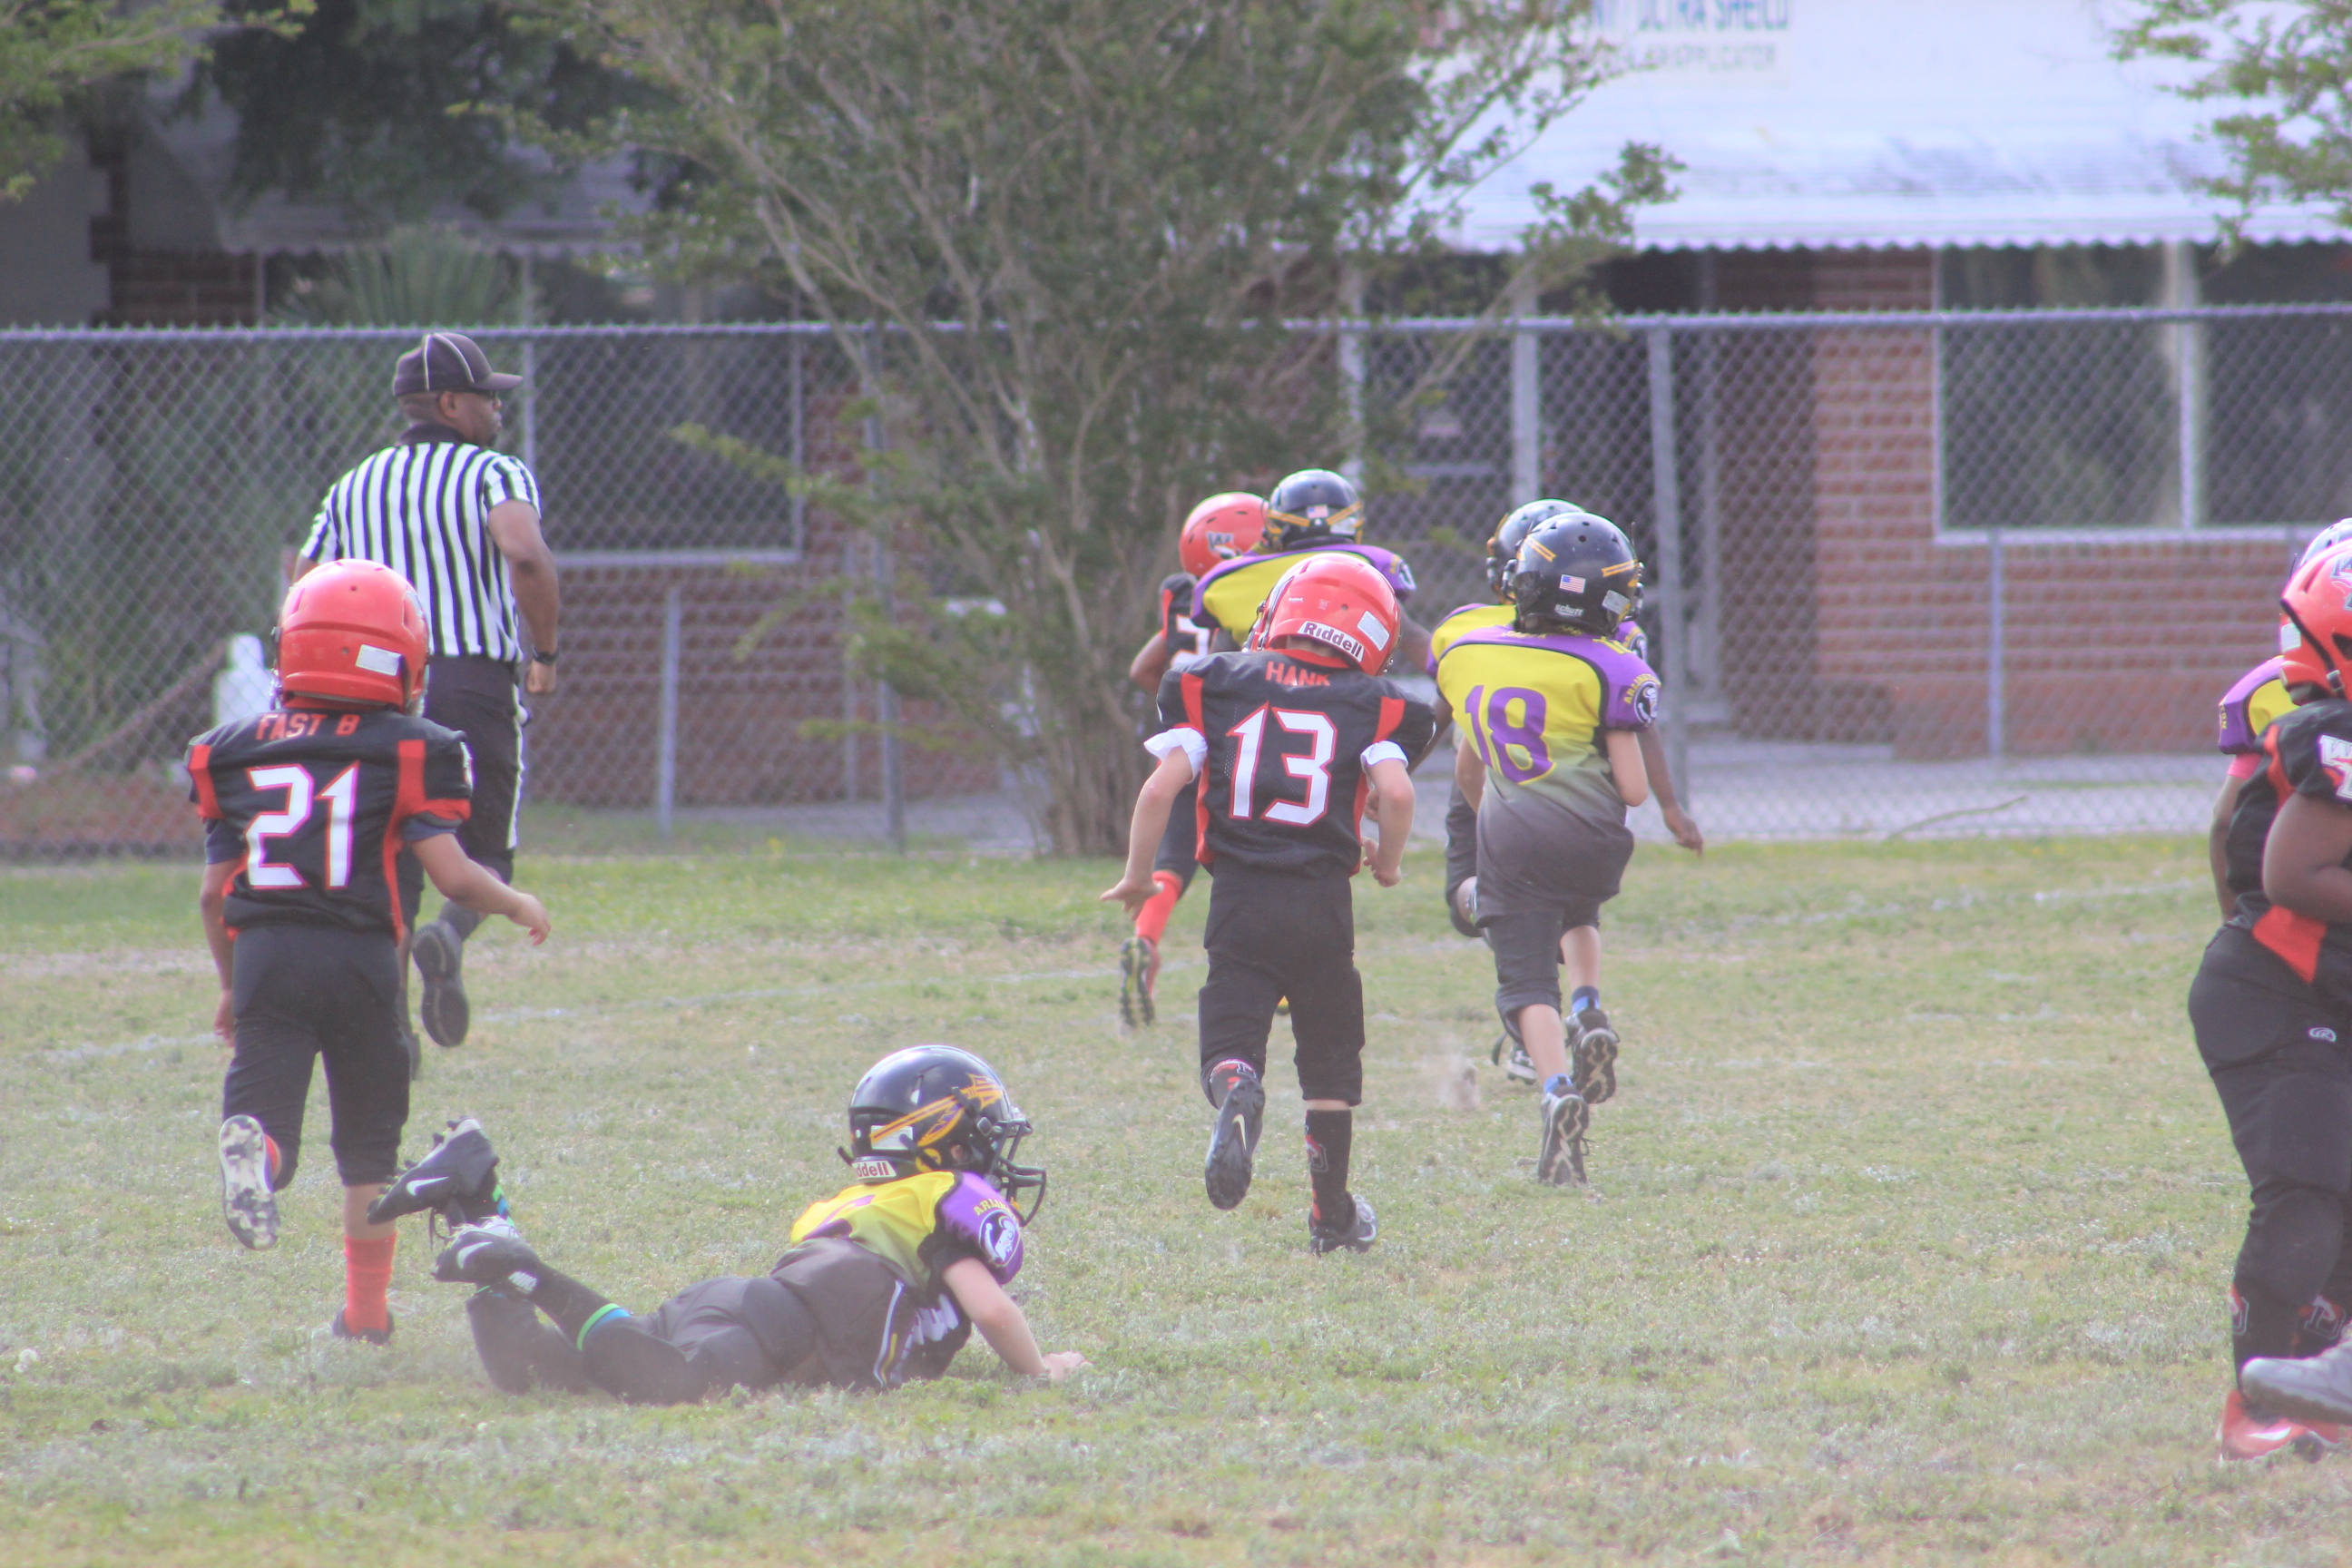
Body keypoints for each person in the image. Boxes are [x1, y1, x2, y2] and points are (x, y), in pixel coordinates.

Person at [189, 561, 551, 1344]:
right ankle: (364, 1315)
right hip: (362, 962)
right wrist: (514, 900)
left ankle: (262, 1156)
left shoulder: (230, 750)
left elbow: (215, 895)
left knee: (265, 1120)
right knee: (368, 1152)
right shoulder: (414, 749)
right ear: (400, 659)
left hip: (266, 959)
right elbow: (452, 874)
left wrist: (228, 984)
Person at [368, 1047, 1084, 1401]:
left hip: (737, 1304)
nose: (994, 1152)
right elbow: (990, 1307)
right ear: (945, 1144)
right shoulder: (940, 1200)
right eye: (984, 1135)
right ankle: (525, 1269)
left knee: (538, 1372)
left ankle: (475, 1203)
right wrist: (1039, 1368)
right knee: (669, 1384)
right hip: (781, 1325)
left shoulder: (860, 1208)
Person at [1102, 553, 1434, 1254]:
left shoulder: (1213, 682)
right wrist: (1389, 863)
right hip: (1323, 907)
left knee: (1229, 1041)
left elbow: (1160, 790)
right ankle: (1330, 1215)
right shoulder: (1376, 703)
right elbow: (1398, 794)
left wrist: (1137, 876)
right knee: (1329, 1064)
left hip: (1239, 900)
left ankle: (1237, 1088)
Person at [297, 330, 561, 1053]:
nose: (497, 410)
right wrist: (544, 652)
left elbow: (305, 585)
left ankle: (391, 1032)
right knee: (486, 853)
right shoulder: (493, 473)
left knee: (392, 864)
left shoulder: (353, 484)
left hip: (374, 693)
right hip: (469, 682)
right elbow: (525, 556)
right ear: (449, 404)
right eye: (486, 398)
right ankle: (449, 934)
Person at [1427, 501, 1703, 1086]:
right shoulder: (1617, 657)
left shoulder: (1467, 643)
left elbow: (1461, 754)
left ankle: (1541, 1059)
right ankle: (1585, 1003)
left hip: (1502, 796)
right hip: (1586, 818)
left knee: (1506, 934)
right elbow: (1633, 781)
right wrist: (1669, 806)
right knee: (1575, 909)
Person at [2177, 542, 2352, 1458]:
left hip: (2323, 989)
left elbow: (2224, 829)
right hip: (2277, 993)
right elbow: (2290, 873)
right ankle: (2254, 1408)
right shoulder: (2338, 733)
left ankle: (2317, 1390)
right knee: (2309, 1191)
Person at [1118, 492, 1270, 1026]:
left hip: (1186, 742)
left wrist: (1181, 708)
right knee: (1262, 857)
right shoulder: (1254, 597)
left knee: (1173, 863)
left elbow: (1144, 668)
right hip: (1239, 744)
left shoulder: (1181, 594)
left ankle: (1144, 939)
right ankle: (1278, 985)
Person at [1191, 468, 1429, 671]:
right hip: (1346, 696)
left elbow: (1213, 668)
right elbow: (1411, 637)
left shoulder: (1228, 580)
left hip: (1260, 695)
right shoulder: (1369, 564)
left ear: (1276, 525)